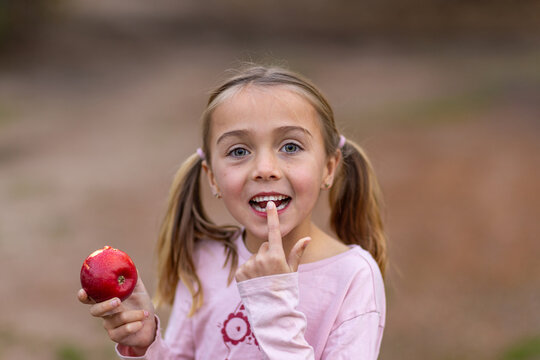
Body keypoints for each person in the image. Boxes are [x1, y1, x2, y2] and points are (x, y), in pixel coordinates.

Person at [78, 65, 388, 359]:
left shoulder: (353, 276)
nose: (265, 169)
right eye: (239, 151)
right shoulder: (205, 259)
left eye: (291, 147)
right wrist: (147, 343)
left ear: (329, 168)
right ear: (212, 176)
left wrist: (274, 307)